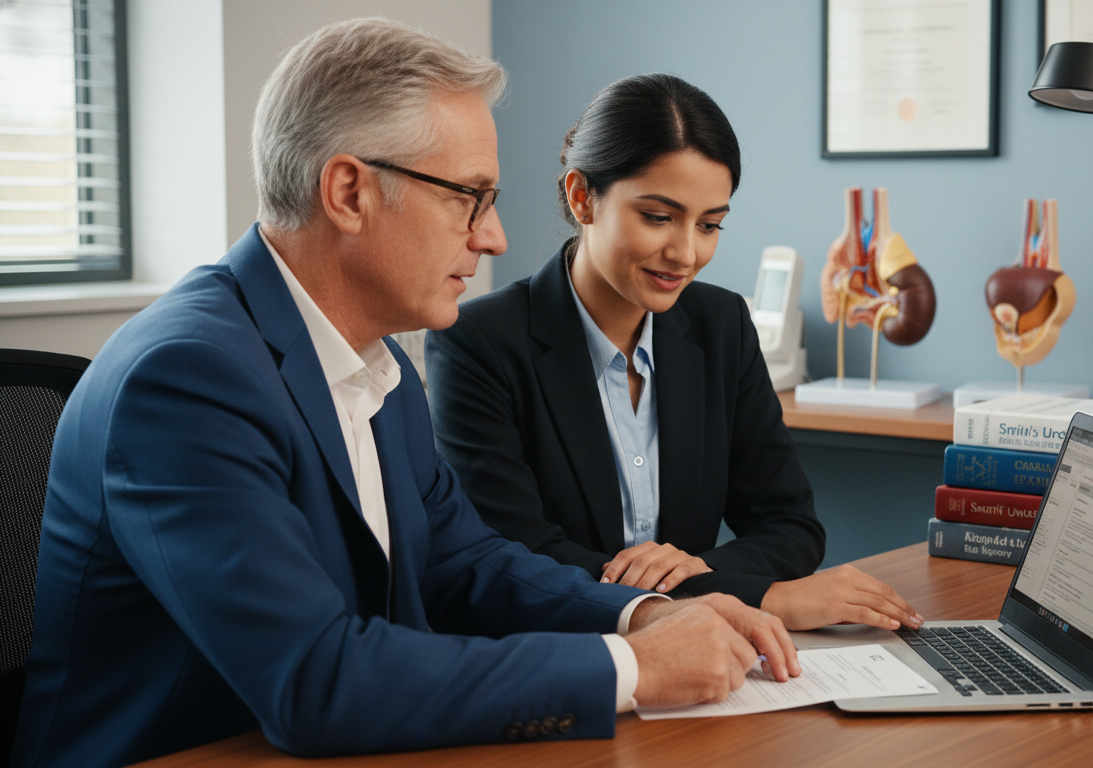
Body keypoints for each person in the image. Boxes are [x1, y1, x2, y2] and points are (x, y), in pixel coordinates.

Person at [11, 20, 799, 768]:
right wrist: (630, 667)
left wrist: (647, 614)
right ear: (350, 193)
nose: (491, 237)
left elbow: (466, 562)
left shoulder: (378, 362)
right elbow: (315, 680)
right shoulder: (186, 379)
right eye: (470, 198)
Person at [424, 74, 923, 633]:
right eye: (658, 217)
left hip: (701, 662)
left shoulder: (722, 325)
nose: (685, 253)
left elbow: (790, 525)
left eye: (710, 225)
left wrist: (697, 571)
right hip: (563, 660)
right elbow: (520, 558)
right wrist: (762, 598)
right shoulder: (477, 340)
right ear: (582, 197)